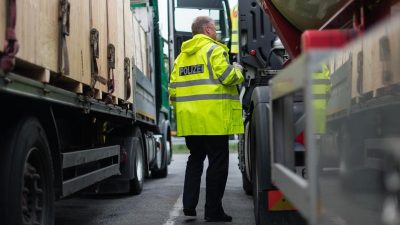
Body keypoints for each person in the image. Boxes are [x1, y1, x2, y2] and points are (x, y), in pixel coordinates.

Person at [168, 16, 244, 222]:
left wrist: (189, 111)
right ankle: (213, 211)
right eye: (215, 28)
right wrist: (239, 70)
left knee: (195, 160)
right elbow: (228, 76)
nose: (216, 32)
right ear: (208, 29)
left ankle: (189, 206)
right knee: (218, 164)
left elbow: (172, 92)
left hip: (191, 122)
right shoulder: (214, 50)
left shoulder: (180, 58)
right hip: (214, 119)